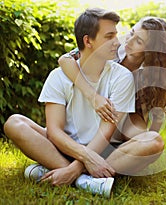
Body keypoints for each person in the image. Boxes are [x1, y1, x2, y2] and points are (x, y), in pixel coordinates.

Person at [3, 8, 137, 198]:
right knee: (14, 123)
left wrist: (79, 164)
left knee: (152, 142)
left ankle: (59, 170)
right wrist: (84, 157)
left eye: (116, 34)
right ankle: (85, 181)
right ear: (87, 41)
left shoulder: (122, 77)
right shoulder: (58, 76)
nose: (117, 41)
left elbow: (107, 132)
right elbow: (54, 131)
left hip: (101, 150)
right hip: (62, 147)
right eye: (109, 36)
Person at [58, 17, 166, 175]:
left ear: (150, 53)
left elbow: (157, 110)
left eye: (139, 41)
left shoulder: (152, 73)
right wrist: (93, 96)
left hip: (124, 116)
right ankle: (90, 165)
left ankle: (92, 168)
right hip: (95, 107)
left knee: (149, 139)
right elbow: (65, 60)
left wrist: (147, 151)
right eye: (132, 32)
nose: (130, 40)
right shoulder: (112, 46)